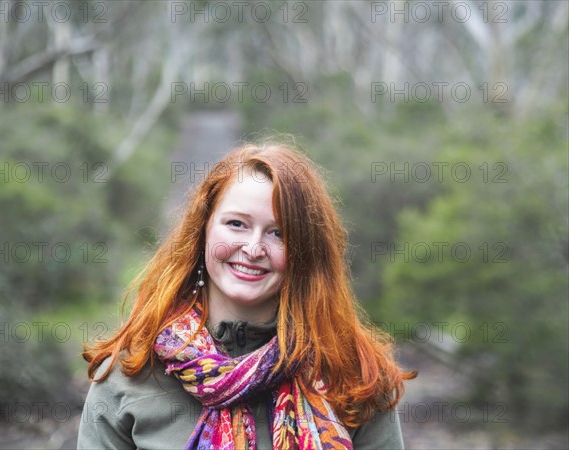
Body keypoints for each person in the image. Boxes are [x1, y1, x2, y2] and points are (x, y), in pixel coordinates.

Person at [78, 140, 416, 449]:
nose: (253, 249)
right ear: (203, 229)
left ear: (305, 250)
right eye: (236, 224)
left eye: (278, 233)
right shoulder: (129, 374)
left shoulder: (353, 375)